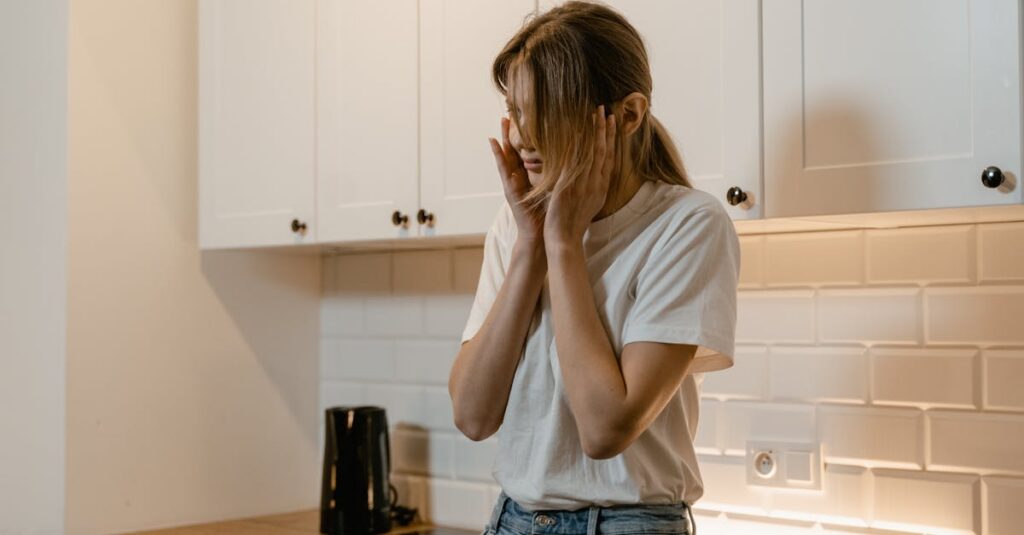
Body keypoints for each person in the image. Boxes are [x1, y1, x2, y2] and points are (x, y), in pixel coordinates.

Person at [447, 2, 741, 535]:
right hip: (513, 519)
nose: (522, 136)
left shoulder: (688, 224)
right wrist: (530, 244)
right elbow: (472, 415)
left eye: (547, 109)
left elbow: (605, 428)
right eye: (515, 109)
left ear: (627, 115)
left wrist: (562, 244)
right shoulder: (516, 226)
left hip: (629, 523)